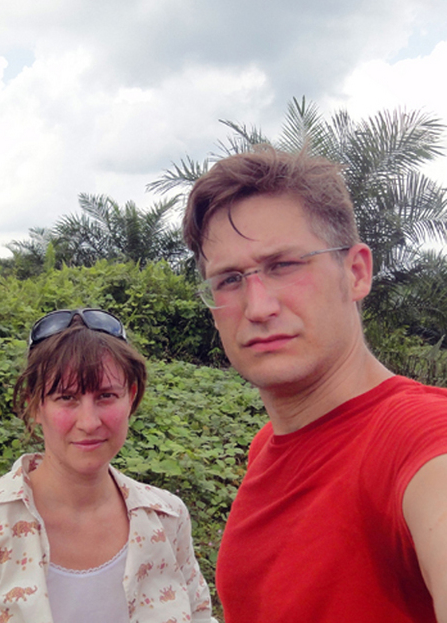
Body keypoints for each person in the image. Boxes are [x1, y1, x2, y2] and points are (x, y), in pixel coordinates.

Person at [183, 145, 447, 622]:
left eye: (284, 265)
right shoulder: (267, 446)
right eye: (229, 279)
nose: (258, 306)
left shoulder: (419, 437)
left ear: (356, 272)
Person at [0, 308, 216, 623]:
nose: (89, 422)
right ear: (34, 404)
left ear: (130, 397)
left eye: (106, 395)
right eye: (67, 398)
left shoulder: (167, 519)